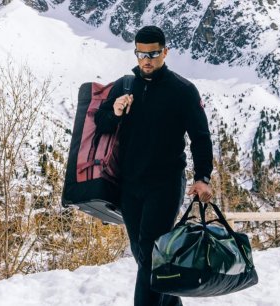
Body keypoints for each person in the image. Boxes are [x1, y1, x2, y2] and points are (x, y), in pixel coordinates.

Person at [95, 26, 214, 306]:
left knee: (150, 253)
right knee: (144, 254)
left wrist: (203, 177)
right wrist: (115, 111)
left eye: (153, 54)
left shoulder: (183, 90)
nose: (146, 60)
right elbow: (101, 124)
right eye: (141, 54)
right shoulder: (125, 86)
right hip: (130, 184)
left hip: (165, 184)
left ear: (165, 52)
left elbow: (200, 137)